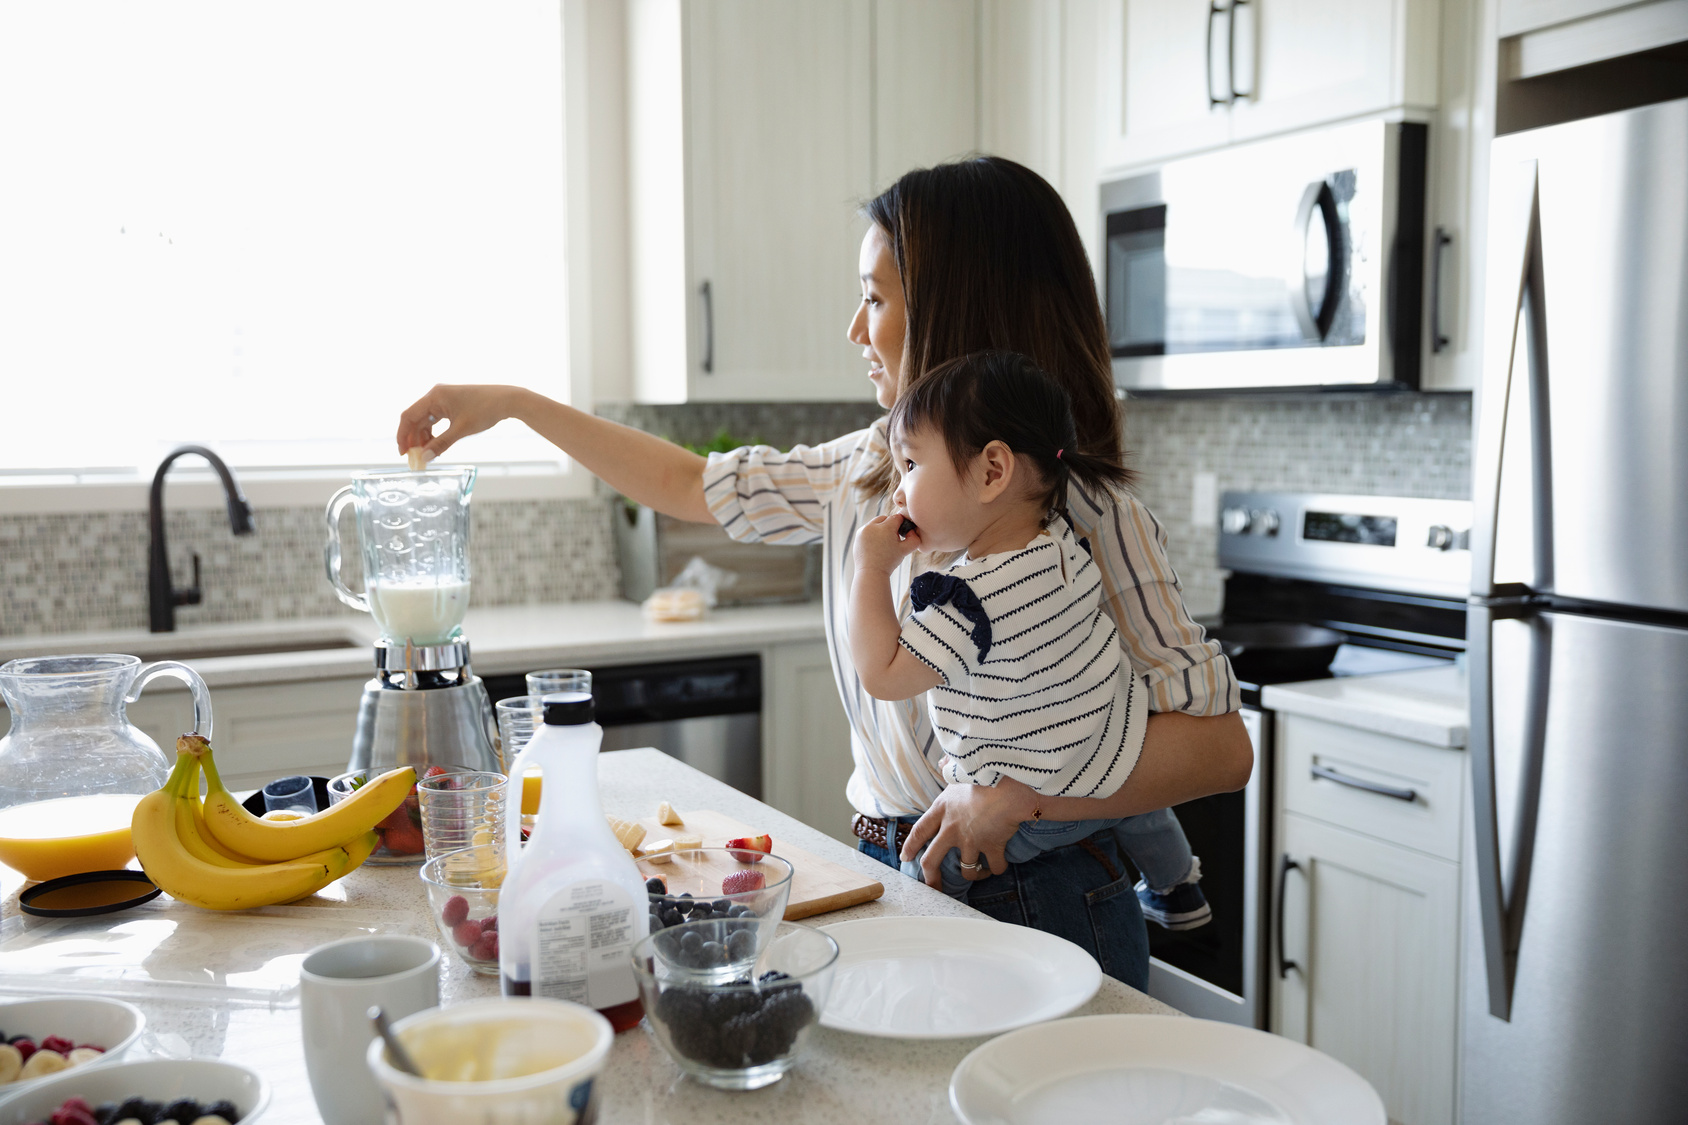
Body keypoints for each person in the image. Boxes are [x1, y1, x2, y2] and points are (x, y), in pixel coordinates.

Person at [394, 156, 1250, 988]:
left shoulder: (1090, 513)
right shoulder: (863, 471)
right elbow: (688, 483)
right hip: (897, 869)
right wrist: (514, 404)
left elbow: (1220, 750)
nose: (853, 327)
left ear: (955, 311)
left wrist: (1021, 796)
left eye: (874, 298)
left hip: (1046, 891)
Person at [848, 349, 1206, 926]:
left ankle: (940, 934)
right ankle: (1176, 885)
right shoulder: (1064, 543)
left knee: (928, 862)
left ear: (993, 471)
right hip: (1108, 756)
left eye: (910, 465)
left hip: (1036, 810)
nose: (898, 493)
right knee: (1137, 804)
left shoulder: (968, 600)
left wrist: (869, 569)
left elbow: (883, 675)